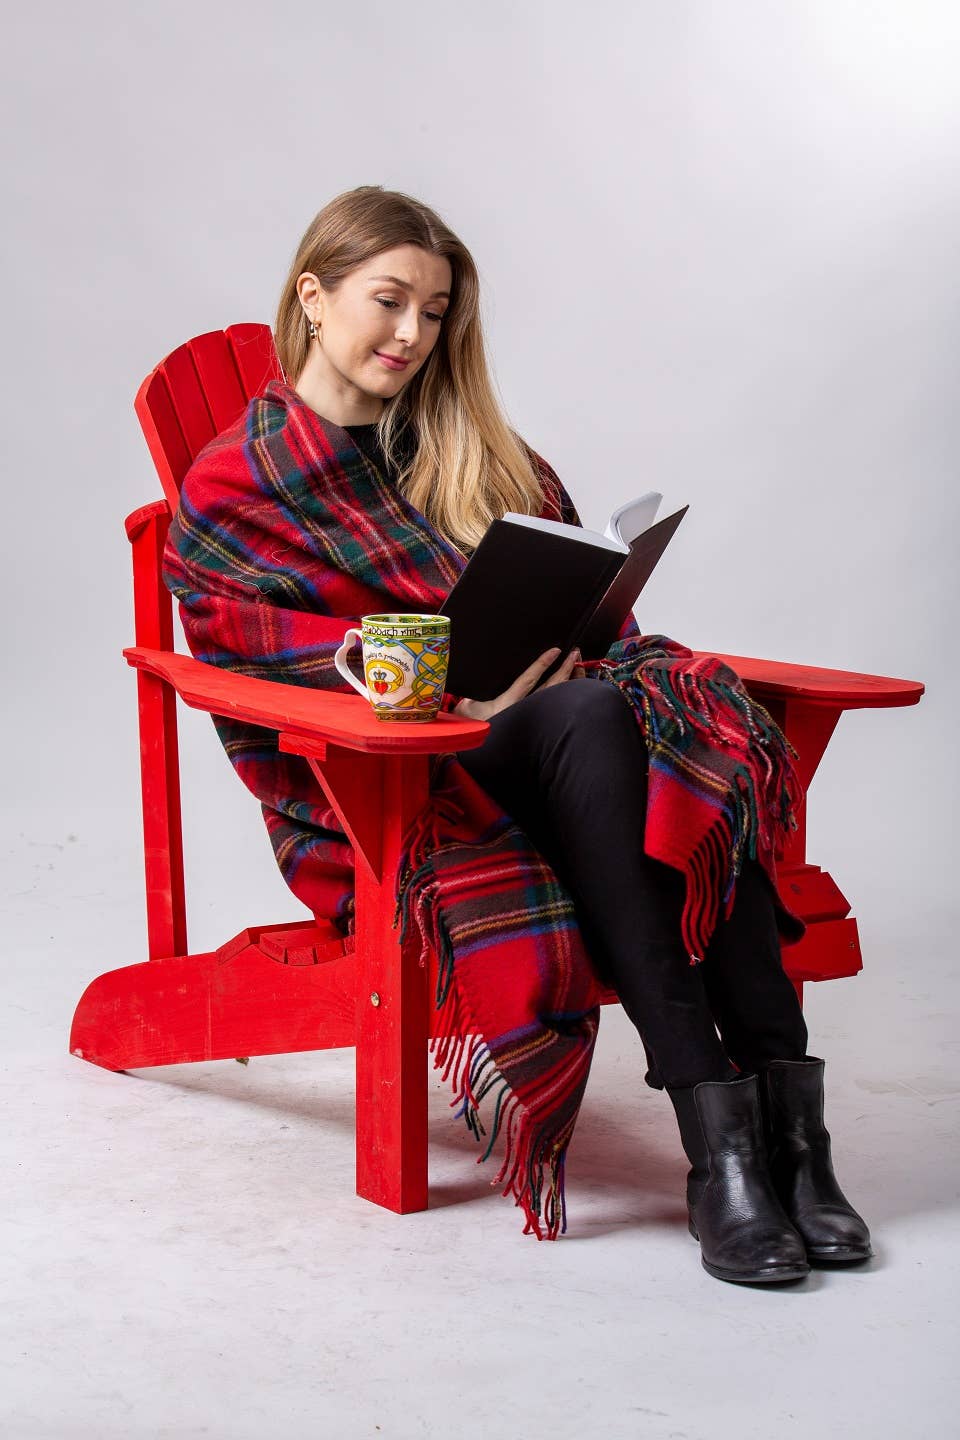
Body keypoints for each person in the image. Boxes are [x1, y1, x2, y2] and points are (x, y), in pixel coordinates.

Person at [163, 185, 871, 1279]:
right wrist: (452, 703)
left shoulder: (471, 447)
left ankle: (785, 1144)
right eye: (388, 300)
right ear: (312, 296)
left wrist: (575, 638)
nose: (413, 333)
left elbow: (582, 603)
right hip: (407, 792)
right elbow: (257, 658)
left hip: (570, 759)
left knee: (685, 744)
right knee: (599, 721)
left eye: (435, 311)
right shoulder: (239, 481)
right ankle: (721, 1142)